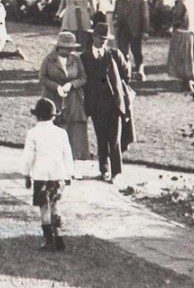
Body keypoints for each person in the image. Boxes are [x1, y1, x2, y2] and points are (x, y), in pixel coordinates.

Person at [80, 22, 132, 182]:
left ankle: (117, 172)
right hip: (96, 104)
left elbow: (126, 74)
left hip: (114, 104)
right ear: (93, 37)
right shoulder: (85, 57)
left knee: (114, 139)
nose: (103, 41)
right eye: (100, 38)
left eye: (105, 39)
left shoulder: (114, 54)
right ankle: (104, 170)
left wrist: (120, 91)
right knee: (101, 139)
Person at [23, 97, 74, 252]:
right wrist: (69, 174)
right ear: (53, 116)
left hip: (41, 175)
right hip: (58, 174)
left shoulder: (32, 133)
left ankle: (48, 240)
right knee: (55, 204)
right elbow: (67, 154)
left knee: (44, 207)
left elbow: (28, 156)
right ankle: (58, 237)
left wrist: (26, 174)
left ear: (37, 116)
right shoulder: (61, 133)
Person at [38, 31, 89, 173]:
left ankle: (70, 167)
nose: (69, 50)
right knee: (54, 133)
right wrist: (57, 87)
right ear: (59, 47)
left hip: (73, 101)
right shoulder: (48, 60)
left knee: (72, 133)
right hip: (53, 100)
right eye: (66, 47)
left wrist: (71, 84)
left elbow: (83, 78)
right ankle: (52, 166)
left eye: (71, 47)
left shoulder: (76, 60)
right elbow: (42, 78)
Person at [114, 0, 150, 82]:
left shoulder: (140, 0)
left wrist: (145, 31)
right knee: (122, 52)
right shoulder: (118, 1)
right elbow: (115, 15)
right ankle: (126, 73)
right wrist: (116, 23)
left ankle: (140, 71)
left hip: (136, 30)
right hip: (122, 30)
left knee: (137, 52)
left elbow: (145, 16)